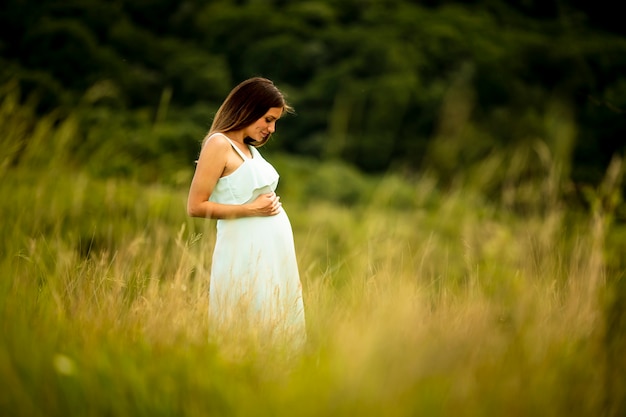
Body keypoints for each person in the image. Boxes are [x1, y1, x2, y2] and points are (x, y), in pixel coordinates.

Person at [187, 77, 306, 349]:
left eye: (275, 122)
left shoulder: (249, 149)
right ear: (248, 109)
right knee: (250, 321)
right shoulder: (219, 144)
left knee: (279, 320)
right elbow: (195, 206)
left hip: (273, 254)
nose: (271, 128)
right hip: (244, 252)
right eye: (267, 119)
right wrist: (250, 209)